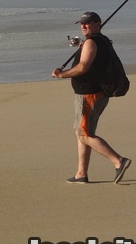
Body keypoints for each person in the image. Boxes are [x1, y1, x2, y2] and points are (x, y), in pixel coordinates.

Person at [52, 12, 131, 184]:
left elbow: (83, 68)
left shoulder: (92, 42)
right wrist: (83, 45)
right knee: (80, 132)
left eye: (87, 23)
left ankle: (118, 161)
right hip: (90, 94)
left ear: (97, 24)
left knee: (84, 133)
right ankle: (81, 174)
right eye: (82, 24)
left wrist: (62, 75)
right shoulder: (100, 41)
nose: (83, 26)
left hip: (90, 94)